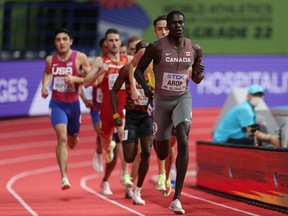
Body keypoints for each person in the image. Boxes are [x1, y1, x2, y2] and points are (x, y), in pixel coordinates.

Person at [134, 10, 205, 214]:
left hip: (183, 97)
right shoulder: (156, 48)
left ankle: (176, 198)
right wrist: (146, 87)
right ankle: (163, 162)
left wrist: (199, 75)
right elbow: (139, 70)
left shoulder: (194, 48)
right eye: (174, 23)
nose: (178, 26)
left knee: (183, 140)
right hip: (161, 100)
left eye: (181, 22)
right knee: (162, 148)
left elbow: (197, 78)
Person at [83, 28, 134, 195]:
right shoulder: (100, 61)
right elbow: (86, 83)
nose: (113, 43)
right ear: (106, 43)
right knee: (106, 142)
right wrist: (100, 71)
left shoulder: (129, 60)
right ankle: (106, 148)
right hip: (105, 110)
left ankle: (125, 174)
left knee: (124, 136)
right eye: (110, 40)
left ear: (120, 42)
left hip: (122, 108)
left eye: (116, 40)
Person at [130, 15, 175, 198]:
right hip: (156, 101)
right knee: (160, 139)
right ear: (155, 31)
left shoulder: (180, 50)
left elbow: (187, 72)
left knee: (172, 145)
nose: (163, 32)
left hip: (176, 100)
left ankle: (166, 173)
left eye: (166, 29)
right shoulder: (146, 51)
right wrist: (135, 87)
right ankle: (162, 172)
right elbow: (132, 68)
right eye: (159, 29)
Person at [41, 27, 91, 190]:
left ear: (71, 42)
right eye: (58, 40)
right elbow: (48, 72)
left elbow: (90, 79)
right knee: (62, 138)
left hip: (74, 105)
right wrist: (44, 86)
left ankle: (74, 135)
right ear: (55, 43)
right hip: (57, 104)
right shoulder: (51, 59)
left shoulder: (80, 57)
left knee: (72, 141)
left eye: (64, 39)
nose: (61, 42)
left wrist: (75, 78)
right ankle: (64, 177)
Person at [111, 40, 154, 205]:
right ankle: (126, 171)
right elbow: (114, 91)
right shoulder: (126, 70)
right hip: (131, 117)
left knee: (147, 153)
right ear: (135, 54)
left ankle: (138, 191)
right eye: (141, 54)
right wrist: (116, 115)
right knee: (129, 156)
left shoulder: (153, 70)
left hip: (147, 117)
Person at [212, 84, 281, 147]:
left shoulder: (250, 108)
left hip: (232, 137)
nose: (257, 97)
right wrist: (271, 138)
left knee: (260, 130)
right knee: (255, 142)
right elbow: (253, 132)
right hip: (223, 140)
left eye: (260, 95)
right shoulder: (245, 109)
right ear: (248, 96)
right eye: (255, 95)